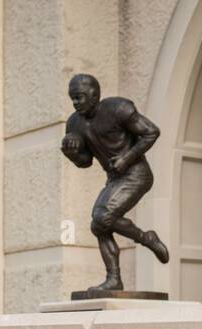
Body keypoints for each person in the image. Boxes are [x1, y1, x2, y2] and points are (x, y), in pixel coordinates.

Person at [60, 74, 170, 292]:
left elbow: (151, 132)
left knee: (103, 217)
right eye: (73, 99)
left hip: (137, 174)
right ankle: (114, 279)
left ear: (94, 95)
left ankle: (147, 239)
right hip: (115, 179)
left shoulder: (117, 108)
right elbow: (86, 162)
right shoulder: (74, 123)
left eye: (79, 97)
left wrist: (126, 158)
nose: (76, 103)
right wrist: (71, 153)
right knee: (98, 225)